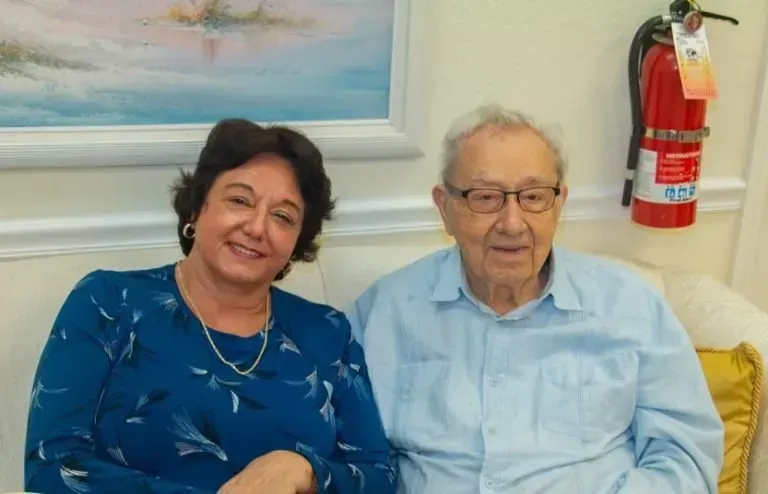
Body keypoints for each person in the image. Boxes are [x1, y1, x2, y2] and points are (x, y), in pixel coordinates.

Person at [348, 103, 724, 494]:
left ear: (558, 203)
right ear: (445, 208)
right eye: (485, 197)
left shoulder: (629, 306)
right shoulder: (384, 313)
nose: (512, 223)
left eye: (533, 196)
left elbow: (687, 455)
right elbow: (349, 456)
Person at [24, 119, 396, 494]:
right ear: (197, 208)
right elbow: (51, 465)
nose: (256, 227)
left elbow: (378, 475)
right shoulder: (108, 301)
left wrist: (306, 470)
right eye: (240, 201)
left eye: (282, 217)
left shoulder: (327, 331)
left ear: (297, 243)